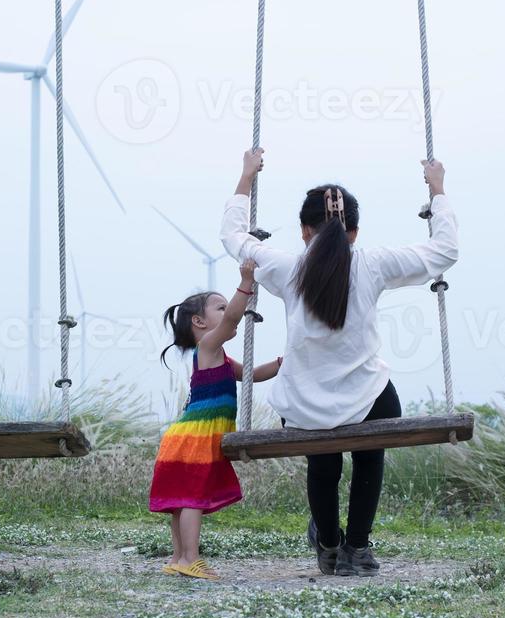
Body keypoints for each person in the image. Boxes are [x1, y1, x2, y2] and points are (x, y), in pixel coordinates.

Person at [220, 148, 459, 577]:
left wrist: (245, 178)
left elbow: (233, 237)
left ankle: (329, 546)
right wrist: (437, 190)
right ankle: (358, 548)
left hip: (304, 407)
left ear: (304, 230)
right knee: (371, 450)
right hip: (366, 399)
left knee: (322, 459)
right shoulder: (373, 264)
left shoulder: (284, 267)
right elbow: (444, 251)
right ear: (354, 231)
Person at [148, 260, 282, 580]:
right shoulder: (207, 346)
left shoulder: (221, 357)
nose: (228, 312)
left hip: (185, 436)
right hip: (195, 436)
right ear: (200, 322)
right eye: (220, 308)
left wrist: (281, 363)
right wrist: (246, 283)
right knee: (192, 499)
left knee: (182, 501)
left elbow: (255, 375)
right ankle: (191, 558)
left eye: (226, 307)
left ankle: (179, 557)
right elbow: (235, 318)